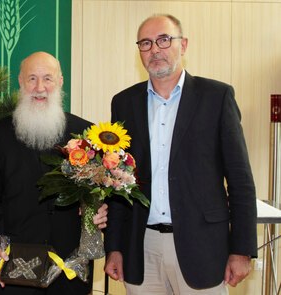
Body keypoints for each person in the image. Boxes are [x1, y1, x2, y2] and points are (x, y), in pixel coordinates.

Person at [103, 14, 257, 294]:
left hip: (203, 246)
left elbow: (240, 180)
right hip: (142, 246)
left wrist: (242, 250)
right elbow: (118, 182)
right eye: (146, 43)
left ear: (183, 45)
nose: (155, 50)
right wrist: (114, 247)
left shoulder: (216, 97)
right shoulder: (124, 103)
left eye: (164, 40)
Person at [0, 51, 108, 295]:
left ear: (60, 82)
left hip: (70, 268)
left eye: (48, 79)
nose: (40, 87)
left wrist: (100, 209)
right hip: (17, 264)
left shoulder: (85, 133)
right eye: (32, 79)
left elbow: (96, 195)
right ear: (20, 82)